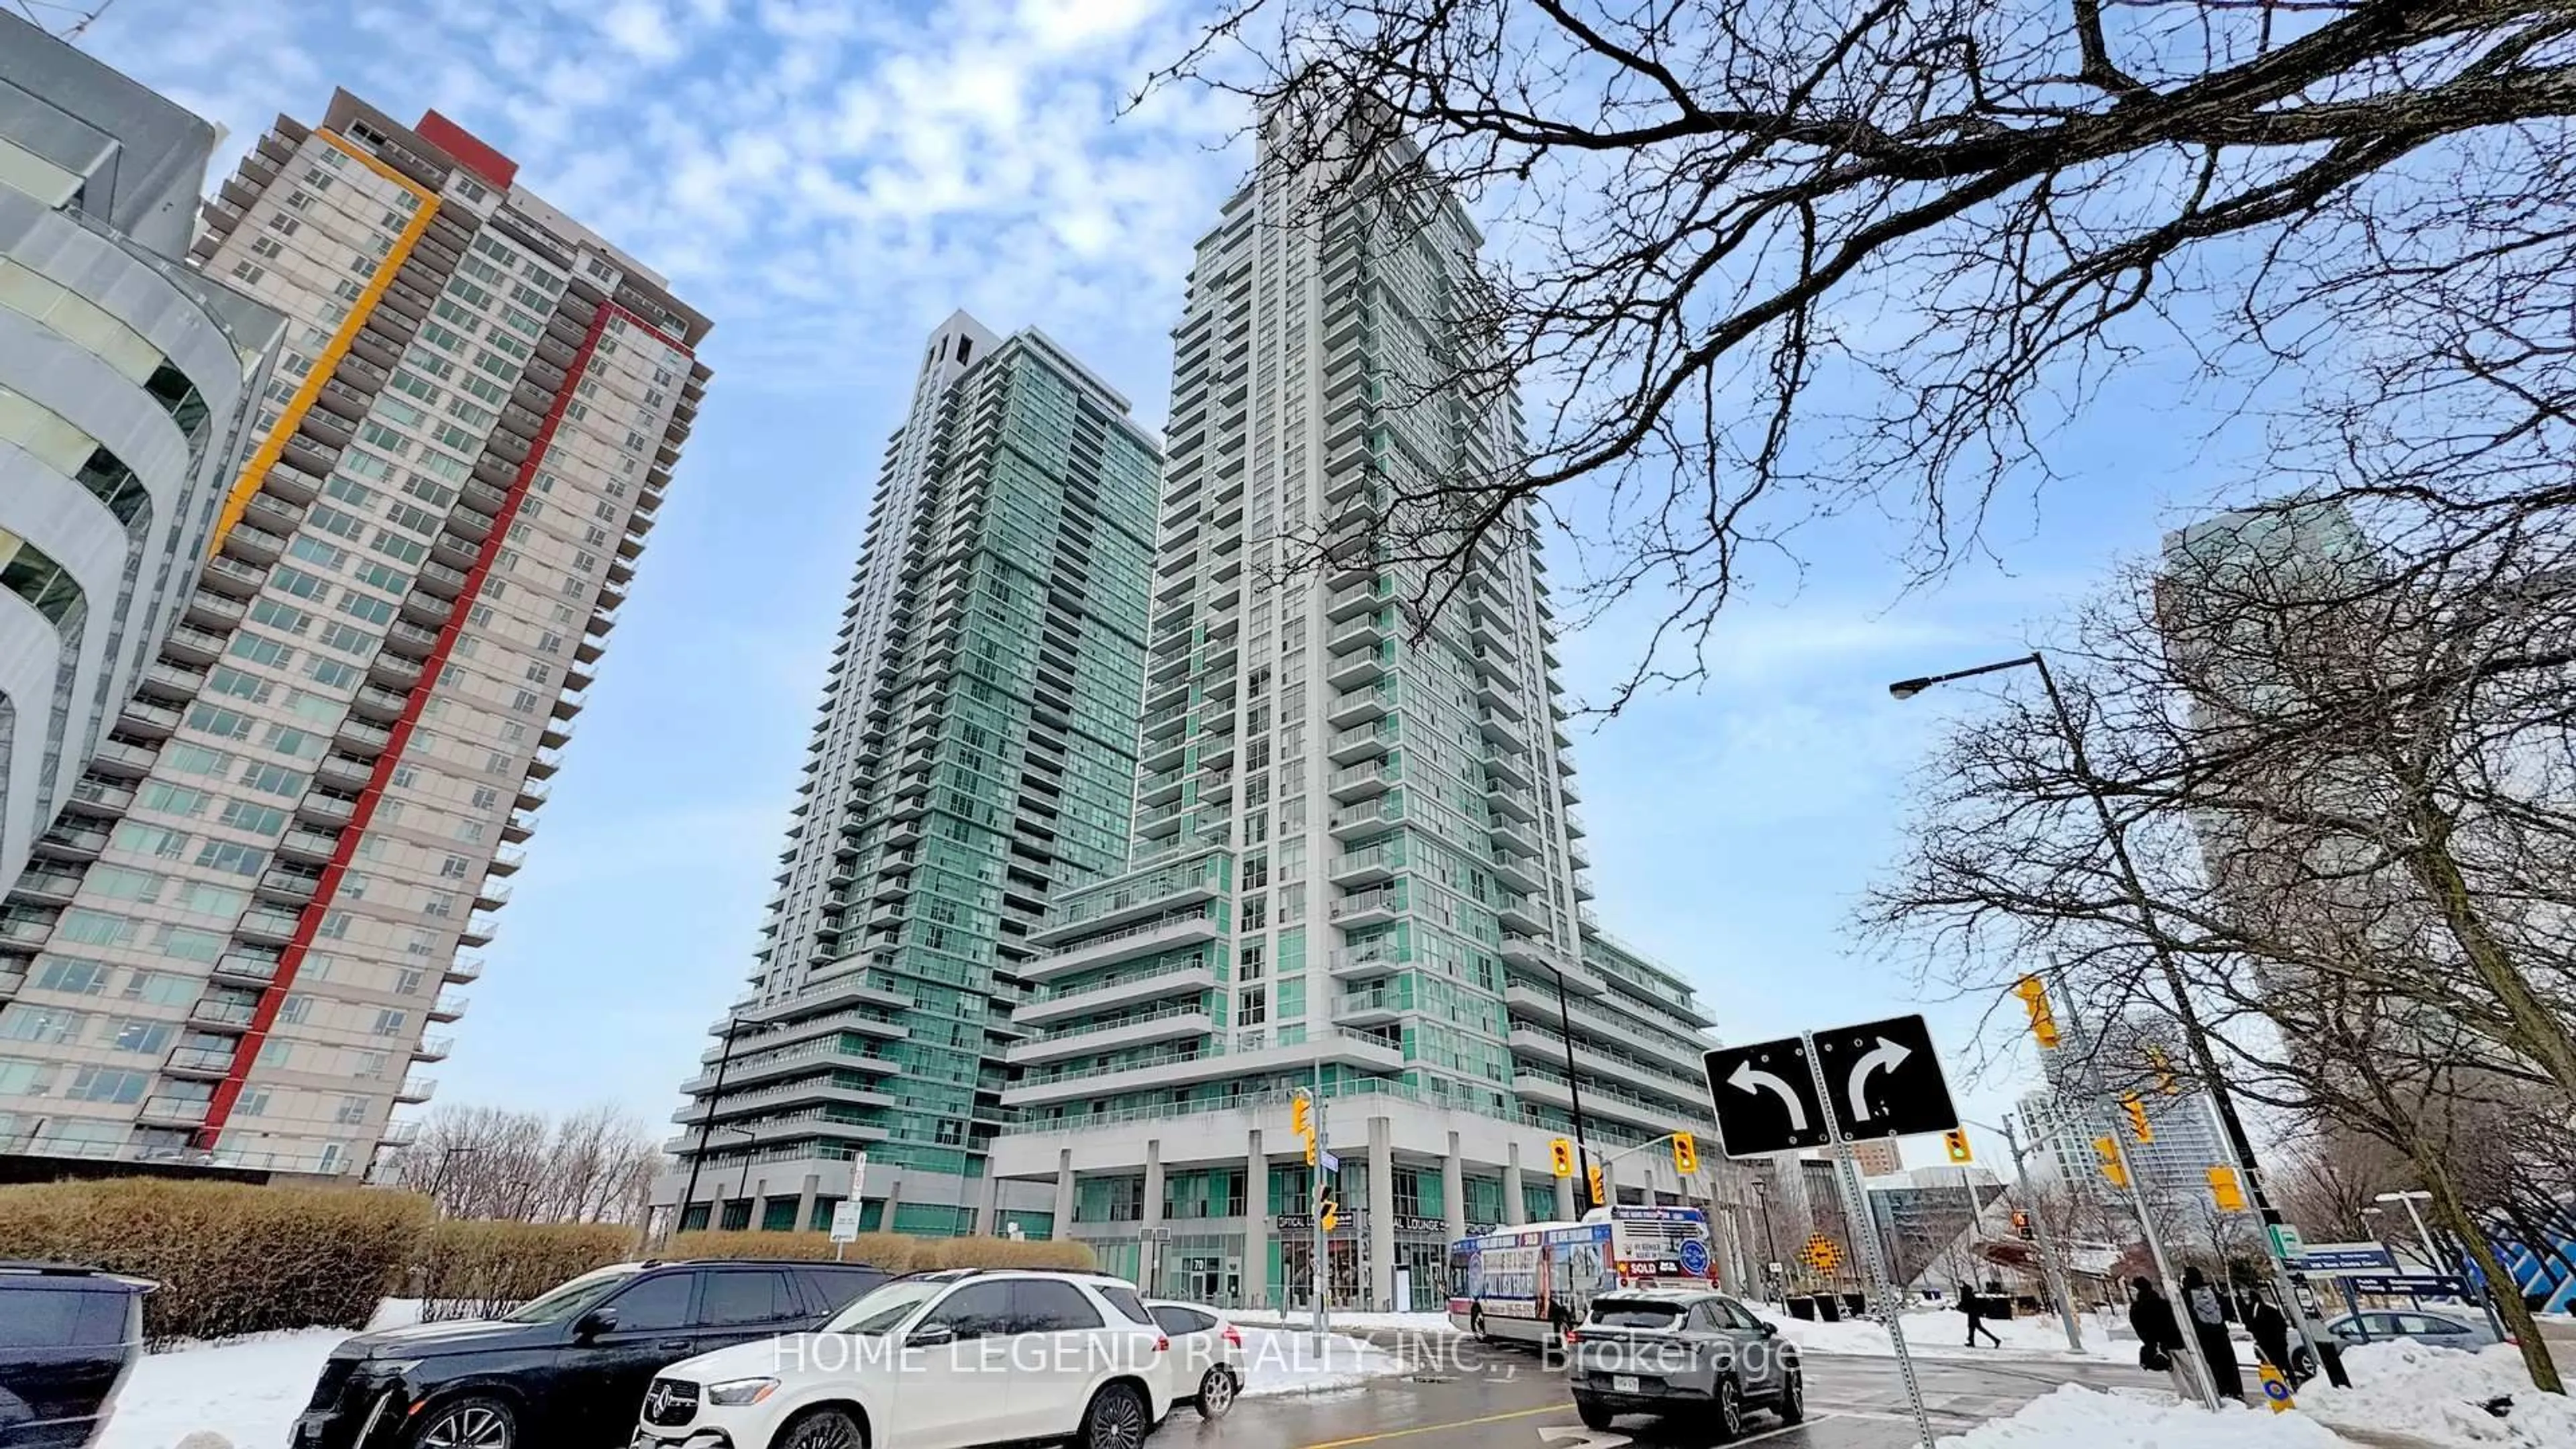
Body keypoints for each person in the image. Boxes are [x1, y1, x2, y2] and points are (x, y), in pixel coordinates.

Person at [2182, 1266, 2246, 1401]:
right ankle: (2236, 1390)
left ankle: (2223, 1391)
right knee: (2229, 1362)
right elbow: (2226, 1309)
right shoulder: (2212, 1292)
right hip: (2221, 1332)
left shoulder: (2187, 1296)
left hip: (2204, 1335)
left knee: (2213, 1364)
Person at [2127, 1277, 2194, 1399]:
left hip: (2159, 1346)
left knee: (2175, 1373)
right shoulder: (2164, 1303)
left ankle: (2187, 1398)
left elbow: (2139, 1329)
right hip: (2176, 1340)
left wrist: (2150, 1343)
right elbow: (2176, 1321)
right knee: (2190, 1370)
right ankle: (2200, 1394)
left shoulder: (2136, 1308)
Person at [2241, 1287, 2298, 1384]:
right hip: (2279, 1341)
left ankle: (2281, 1382)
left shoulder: (2252, 1311)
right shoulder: (2271, 1309)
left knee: (2273, 1364)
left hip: (2267, 1343)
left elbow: (2250, 1326)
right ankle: (2292, 1382)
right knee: (2285, 1363)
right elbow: (2283, 1325)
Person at [1958, 1283, 2003, 1347]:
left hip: (1973, 1312)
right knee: (1972, 1327)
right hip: (1974, 1312)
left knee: (1977, 1327)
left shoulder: (1966, 1293)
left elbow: (1965, 1303)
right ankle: (1971, 1341)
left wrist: (1959, 1307)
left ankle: (1996, 1340)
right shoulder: (1969, 1293)